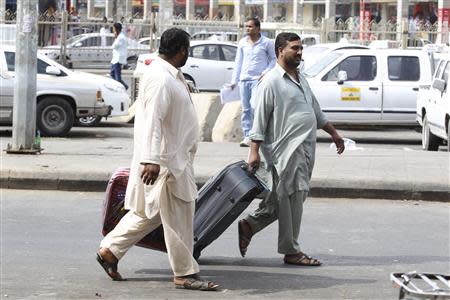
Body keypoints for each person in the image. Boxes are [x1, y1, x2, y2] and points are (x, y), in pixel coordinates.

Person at [96, 28, 219, 291]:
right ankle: (184, 273)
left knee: (150, 213)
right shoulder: (162, 78)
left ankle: (110, 250)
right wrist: (151, 160)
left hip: (174, 158)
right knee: (180, 216)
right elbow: (152, 120)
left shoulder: (169, 74)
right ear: (182, 50)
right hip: (167, 162)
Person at [237, 32, 345, 266]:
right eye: (294, 48)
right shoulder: (270, 81)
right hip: (285, 153)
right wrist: (253, 151)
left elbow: (314, 110)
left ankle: (250, 225)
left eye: (300, 48)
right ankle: (291, 250)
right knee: (294, 198)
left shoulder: (300, 78)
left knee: (281, 201)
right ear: (280, 51)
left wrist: (334, 133)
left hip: (305, 150)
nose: (299, 52)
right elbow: (260, 120)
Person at [231, 17, 276, 147]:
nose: (248, 29)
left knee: (255, 106)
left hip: (258, 80)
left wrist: (265, 72)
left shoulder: (266, 42)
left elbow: (273, 60)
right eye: (246, 26)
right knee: (245, 109)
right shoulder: (242, 42)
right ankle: (247, 136)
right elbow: (238, 62)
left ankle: (258, 134)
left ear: (258, 28)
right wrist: (234, 80)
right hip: (244, 80)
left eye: (250, 26)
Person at [110, 22, 128, 90]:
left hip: (118, 59)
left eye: (113, 28)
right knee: (112, 74)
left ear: (116, 29)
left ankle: (123, 87)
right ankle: (123, 86)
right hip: (115, 59)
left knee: (117, 77)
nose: (113, 30)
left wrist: (115, 37)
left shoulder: (120, 37)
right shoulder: (120, 36)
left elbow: (114, 46)